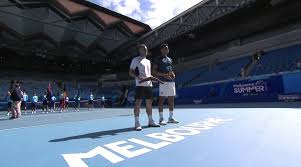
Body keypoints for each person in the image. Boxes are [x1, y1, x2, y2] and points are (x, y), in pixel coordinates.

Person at [129, 44, 160, 131]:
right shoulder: (135, 59)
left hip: (149, 85)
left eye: (146, 49)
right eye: (143, 49)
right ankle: (137, 123)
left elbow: (148, 74)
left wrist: (152, 78)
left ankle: (150, 121)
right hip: (140, 84)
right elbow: (130, 72)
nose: (145, 51)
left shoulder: (148, 61)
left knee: (149, 103)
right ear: (139, 50)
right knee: (138, 103)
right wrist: (138, 77)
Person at [153, 43, 179, 125]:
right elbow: (154, 71)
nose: (166, 50)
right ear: (161, 50)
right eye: (164, 48)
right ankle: (161, 119)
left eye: (167, 48)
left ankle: (170, 118)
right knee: (161, 100)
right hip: (163, 82)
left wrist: (173, 74)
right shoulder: (157, 59)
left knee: (171, 100)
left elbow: (170, 70)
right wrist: (164, 75)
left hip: (171, 82)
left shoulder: (170, 60)